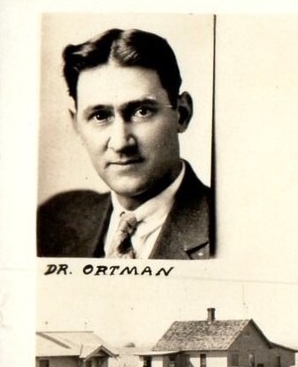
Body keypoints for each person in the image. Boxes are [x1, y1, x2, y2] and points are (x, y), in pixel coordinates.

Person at [38, 28, 212, 259]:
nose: (121, 143)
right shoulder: (53, 220)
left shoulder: (228, 228)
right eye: (100, 116)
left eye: (141, 111)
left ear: (181, 114)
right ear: (77, 125)